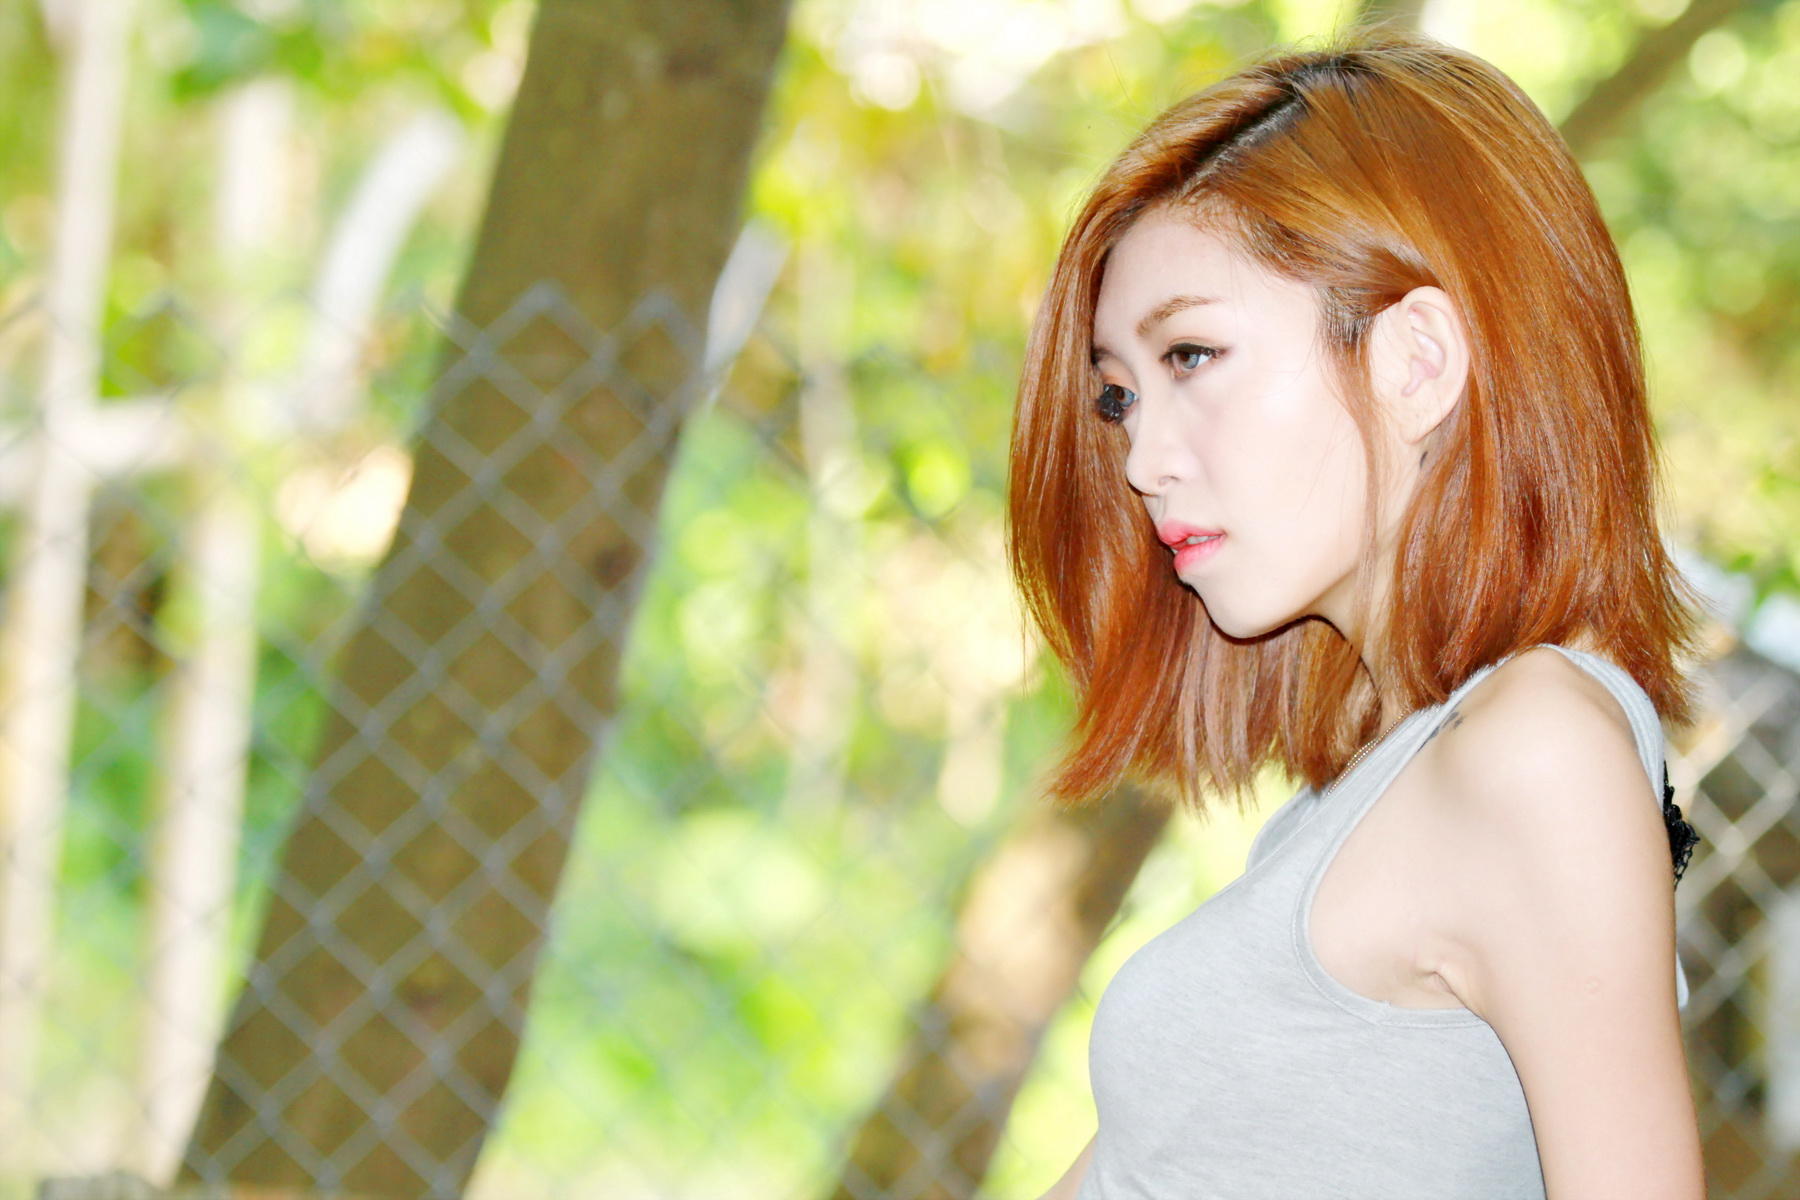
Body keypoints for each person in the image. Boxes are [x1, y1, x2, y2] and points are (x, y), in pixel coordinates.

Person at [1005, 22, 1709, 1200]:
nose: (1141, 458)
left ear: (1416, 361)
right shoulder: (1383, 779)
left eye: (1191, 356)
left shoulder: (1536, 752)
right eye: (1119, 396)